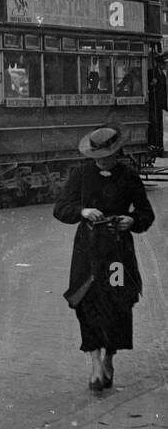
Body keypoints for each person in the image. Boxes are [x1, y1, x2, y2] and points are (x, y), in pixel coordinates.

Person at [52, 125, 154, 392]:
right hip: (88, 251)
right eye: (99, 156)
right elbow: (60, 209)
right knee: (87, 303)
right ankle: (95, 361)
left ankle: (110, 357)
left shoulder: (130, 177)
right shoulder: (81, 175)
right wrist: (83, 211)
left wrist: (132, 220)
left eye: (108, 155)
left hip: (118, 253)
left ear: (117, 152)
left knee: (118, 302)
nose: (103, 161)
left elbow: (146, 214)